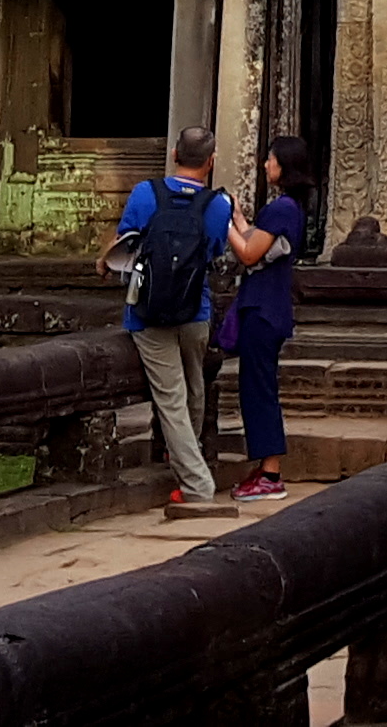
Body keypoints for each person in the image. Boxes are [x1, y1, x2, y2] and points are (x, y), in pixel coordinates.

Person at [115, 126, 245, 513]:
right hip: (195, 308)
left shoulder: (145, 193)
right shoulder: (217, 205)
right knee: (193, 389)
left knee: (171, 399)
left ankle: (197, 484)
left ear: (174, 154)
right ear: (210, 162)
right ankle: (188, 459)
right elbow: (216, 250)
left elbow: (127, 243)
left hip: (148, 310)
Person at [228, 138, 310, 501]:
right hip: (268, 308)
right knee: (256, 388)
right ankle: (265, 467)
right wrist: (239, 219)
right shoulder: (286, 209)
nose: (265, 164)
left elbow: (248, 254)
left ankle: (272, 473)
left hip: (263, 310)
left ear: (284, 166)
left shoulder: (281, 209)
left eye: (271, 159)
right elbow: (257, 242)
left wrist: (222, 221)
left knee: (259, 390)